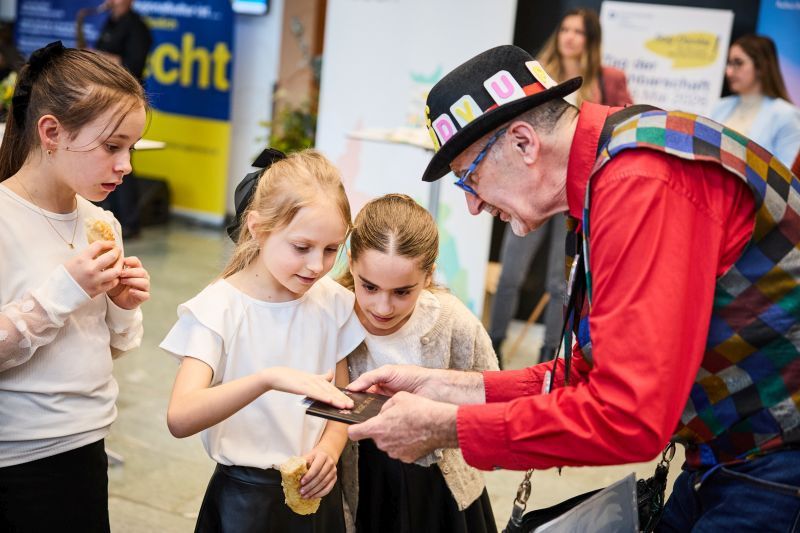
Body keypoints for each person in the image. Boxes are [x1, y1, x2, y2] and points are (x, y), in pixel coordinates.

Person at [348, 44, 800, 531]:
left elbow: (628, 416)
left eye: (468, 178)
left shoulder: (641, 182)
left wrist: (445, 426)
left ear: (524, 143)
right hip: (726, 455)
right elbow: (589, 372)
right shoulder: (610, 170)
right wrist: (445, 386)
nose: (473, 205)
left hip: (775, 459)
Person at [161, 149, 365, 533]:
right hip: (243, 504)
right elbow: (180, 417)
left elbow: (341, 402)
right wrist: (266, 379)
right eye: (301, 247)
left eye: (331, 250)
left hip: (316, 497)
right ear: (257, 228)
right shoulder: (219, 308)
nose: (317, 266)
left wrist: (329, 448)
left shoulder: (333, 303)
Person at [0, 41, 150, 532]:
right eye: (112, 147)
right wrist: (64, 289)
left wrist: (121, 304)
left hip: (85, 445)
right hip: (17, 459)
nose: (126, 165)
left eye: (131, 148)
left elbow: (108, 347)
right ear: (51, 132)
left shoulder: (101, 223)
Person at [337, 194, 498, 533]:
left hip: (439, 492)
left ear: (428, 276)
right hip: (364, 486)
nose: (383, 307)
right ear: (351, 263)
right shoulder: (331, 315)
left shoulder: (454, 323)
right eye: (369, 287)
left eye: (402, 292)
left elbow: (494, 399)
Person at [490, 7, 633, 366]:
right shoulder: (536, 72)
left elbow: (621, 124)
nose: (569, 37)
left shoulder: (607, 79)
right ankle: (493, 346)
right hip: (530, 187)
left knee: (560, 281)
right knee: (510, 274)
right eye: (565, 29)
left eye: (579, 32)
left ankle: (549, 356)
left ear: (591, 40)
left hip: (575, 190)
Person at [78, 0, 153, 239]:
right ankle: (106, 213)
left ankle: (130, 221)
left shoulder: (138, 28)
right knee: (107, 160)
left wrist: (96, 57)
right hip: (105, 101)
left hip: (126, 102)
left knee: (123, 163)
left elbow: (133, 65)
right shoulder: (110, 22)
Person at [711, 34, 800, 168]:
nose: (729, 72)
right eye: (729, 63)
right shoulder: (720, 106)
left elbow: (789, 176)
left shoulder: (786, 115)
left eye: (738, 63)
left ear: (761, 67)